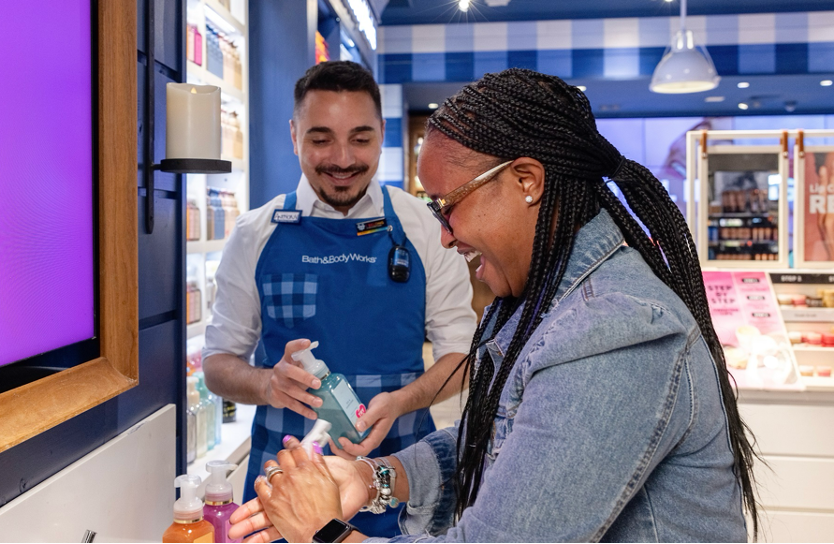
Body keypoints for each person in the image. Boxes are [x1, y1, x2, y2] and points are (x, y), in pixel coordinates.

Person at [227, 68, 759, 543]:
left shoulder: (611, 331)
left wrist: (323, 533)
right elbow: (502, 443)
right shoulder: (542, 297)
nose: (443, 236)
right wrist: (372, 478)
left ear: (526, 181)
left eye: (448, 206)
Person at [201, 61, 477, 537]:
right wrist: (269, 384)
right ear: (294, 135)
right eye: (321, 138)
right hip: (281, 484)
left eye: (361, 138)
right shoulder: (254, 234)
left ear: (382, 134)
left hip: (400, 472)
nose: (343, 158)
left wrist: (403, 400)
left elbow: (462, 357)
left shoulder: (426, 228)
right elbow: (217, 364)